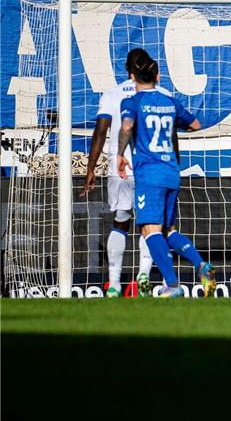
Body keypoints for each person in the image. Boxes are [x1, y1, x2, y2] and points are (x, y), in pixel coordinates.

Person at [116, 54, 214, 299]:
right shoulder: (170, 102)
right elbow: (196, 124)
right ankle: (202, 266)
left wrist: (120, 153)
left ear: (131, 77)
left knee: (150, 230)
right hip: (172, 171)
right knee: (168, 229)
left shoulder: (132, 101)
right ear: (158, 76)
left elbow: (127, 126)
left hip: (150, 172)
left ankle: (172, 284)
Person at [81, 49, 164, 297]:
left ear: (127, 70)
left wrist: (91, 167)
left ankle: (114, 284)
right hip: (151, 167)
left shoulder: (112, 94)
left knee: (121, 220)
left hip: (120, 166)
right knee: (150, 224)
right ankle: (142, 280)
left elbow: (100, 131)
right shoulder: (160, 94)